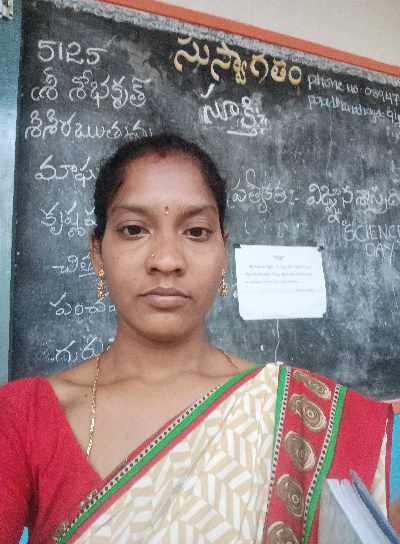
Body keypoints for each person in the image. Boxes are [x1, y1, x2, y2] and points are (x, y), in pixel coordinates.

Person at [0, 134, 393, 543]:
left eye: (196, 232)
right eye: (134, 229)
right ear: (97, 252)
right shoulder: (23, 416)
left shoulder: (297, 414)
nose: (167, 260)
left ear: (223, 252)